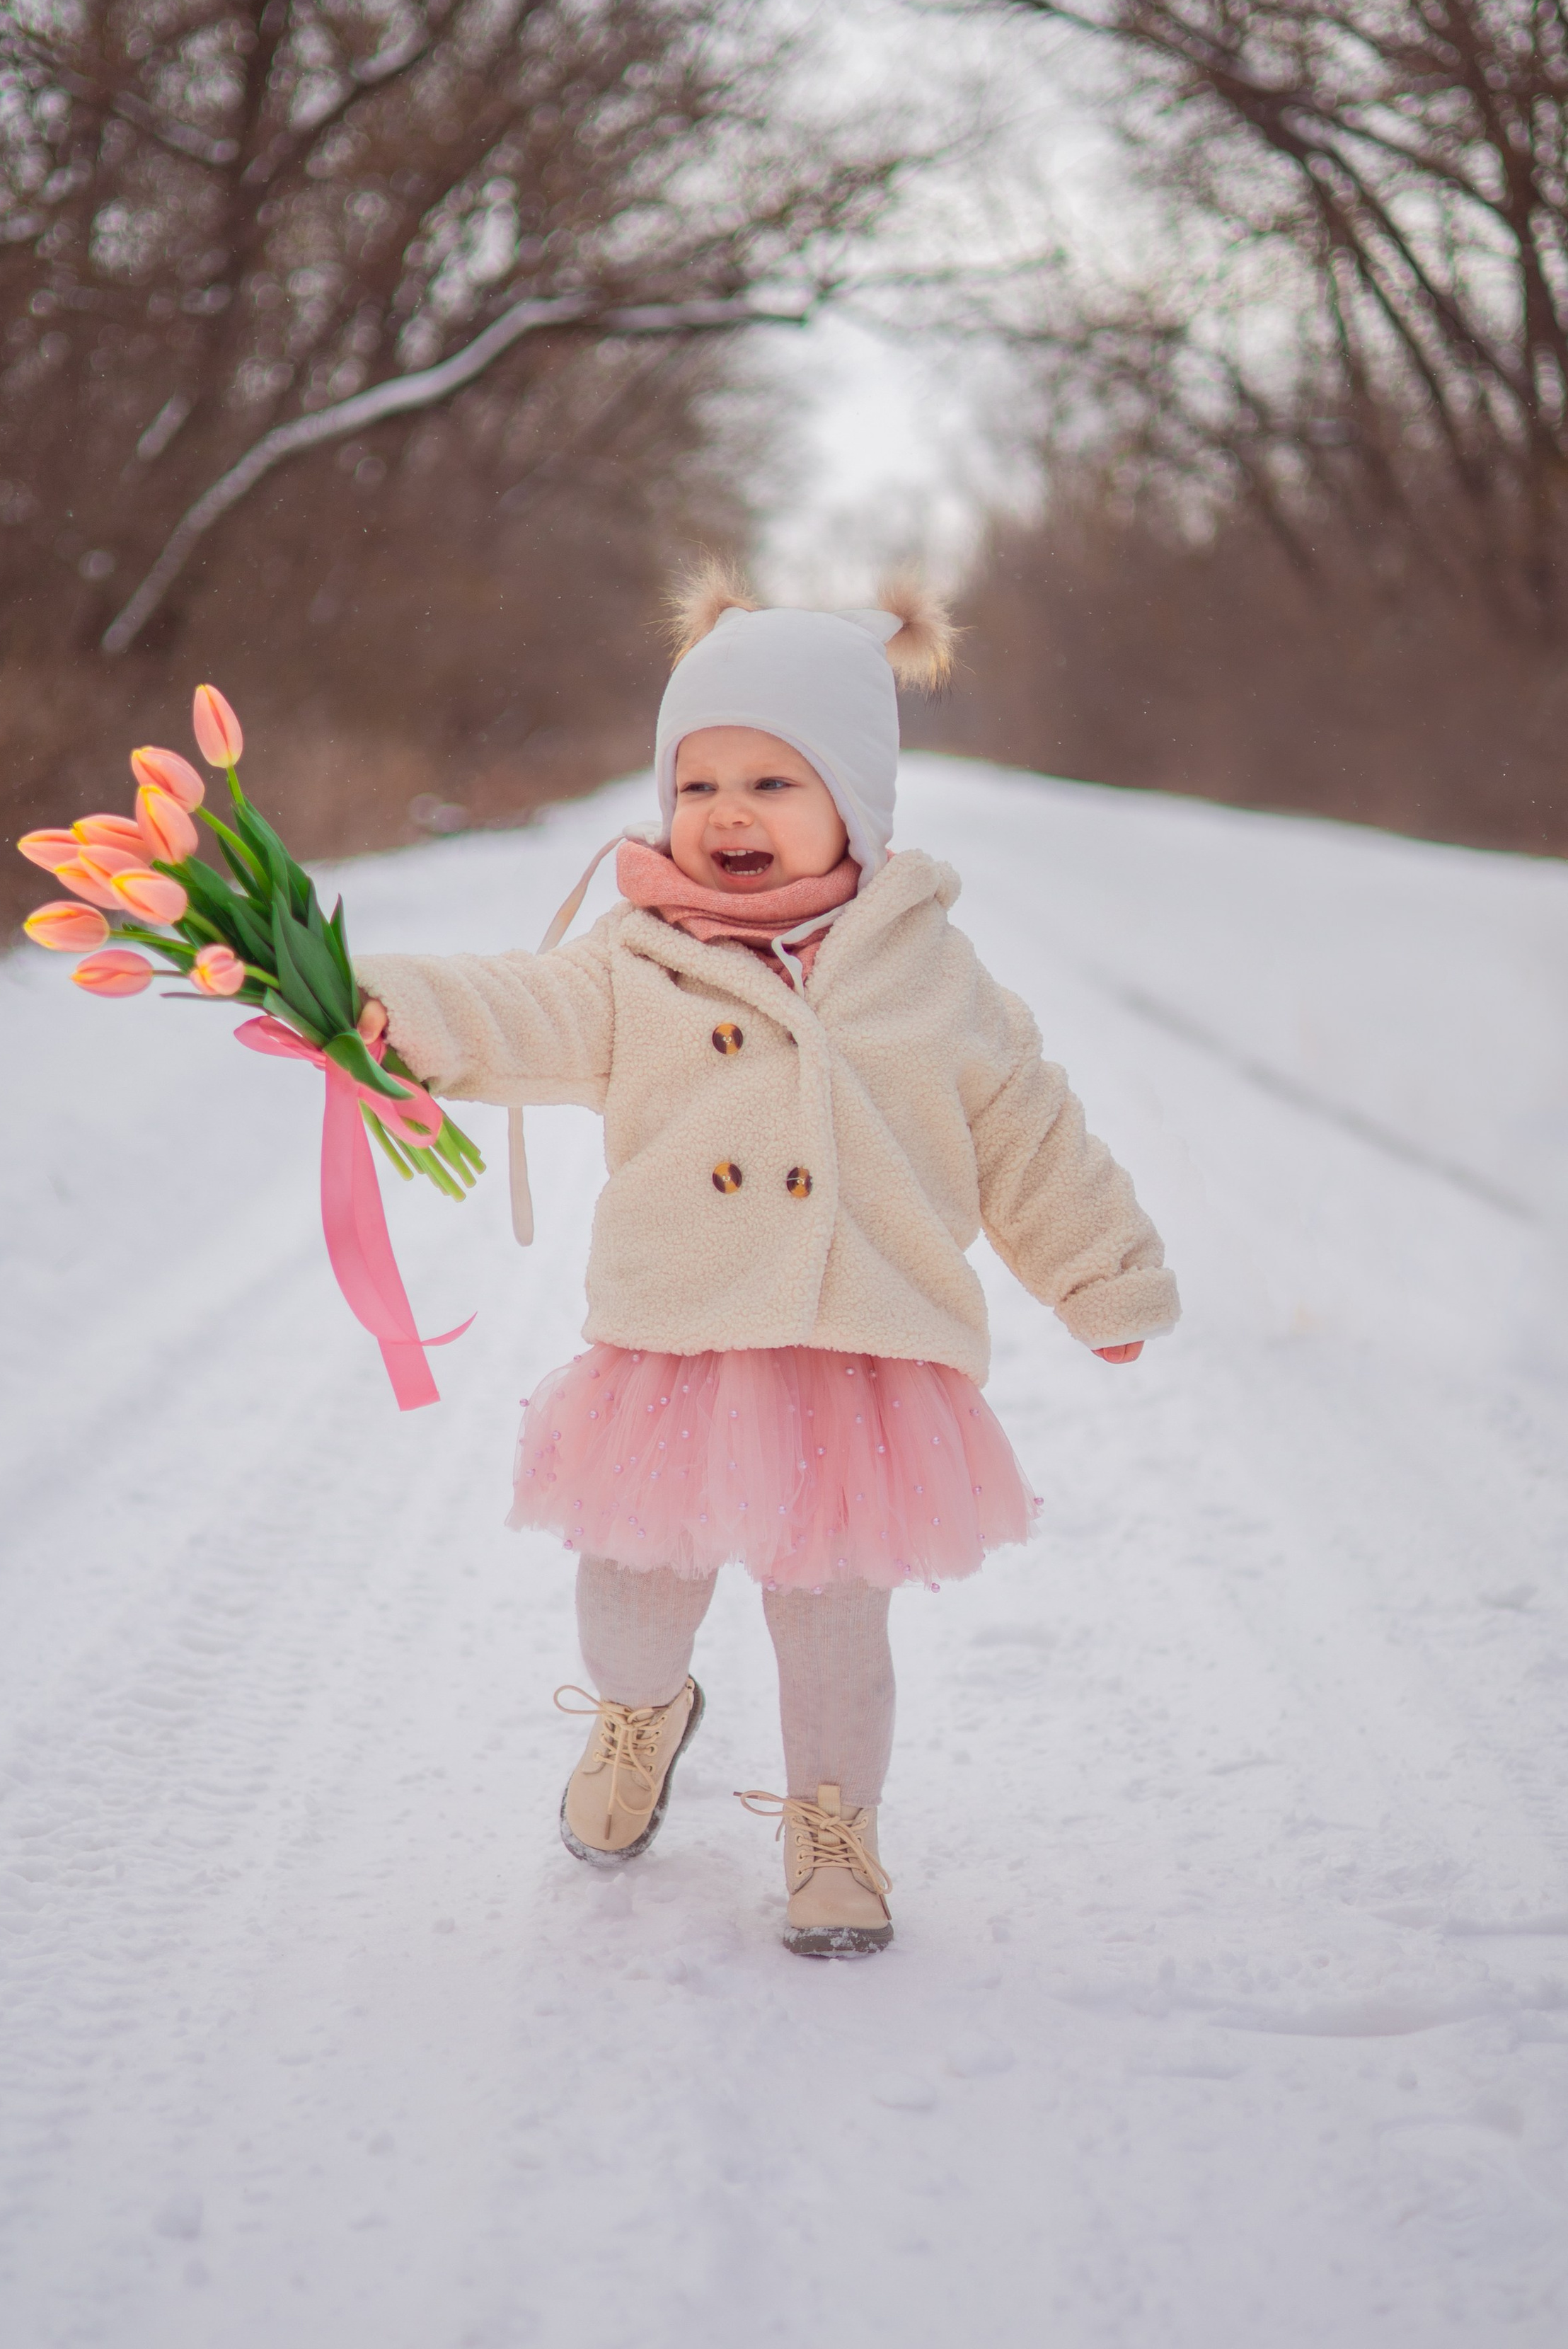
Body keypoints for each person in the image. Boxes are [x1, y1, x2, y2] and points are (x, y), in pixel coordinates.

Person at [357, 568, 1178, 1956]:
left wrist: (1098, 1273)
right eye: (698, 784)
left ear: (853, 806)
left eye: (772, 785)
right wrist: (388, 1007)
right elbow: (516, 1006)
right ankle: (640, 1716)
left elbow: (1030, 1134)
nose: (725, 814)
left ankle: (832, 1831)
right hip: (678, 1347)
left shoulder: (932, 976)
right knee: (628, 1597)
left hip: (855, 1356)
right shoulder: (638, 962)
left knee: (830, 1631)